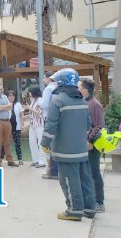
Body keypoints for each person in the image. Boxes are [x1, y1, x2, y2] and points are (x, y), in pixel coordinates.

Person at [41, 68, 95, 221]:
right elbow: (87, 125)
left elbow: (51, 125)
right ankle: (89, 208)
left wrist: (45, 143)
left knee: (69, 181)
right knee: (85, 179)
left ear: (60, 83)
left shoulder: (57, 101)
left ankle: (74, 210)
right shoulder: (83, 102)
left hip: (65, 151)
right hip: (81, 149)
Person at [78, 78, 105, 212]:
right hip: (84, 143)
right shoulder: (85, 102)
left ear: (84, 89)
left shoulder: (94, 104)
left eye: (78, 87)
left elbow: (99, 126)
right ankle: (89, 199)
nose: (77, 89)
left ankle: (99, 202)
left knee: (94, 172)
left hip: (92, 144)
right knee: (86, 172)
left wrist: (90, 140)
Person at [0, 84, 19, 168]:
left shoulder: (5, 97)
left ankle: (10, 160)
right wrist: (4, 107)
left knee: (8, 142)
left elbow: (10, 106)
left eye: (1, 89)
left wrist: (2, 107)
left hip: (7, 121)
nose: (1, 91)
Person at [40, 72, 59, 179]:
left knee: (50, 145)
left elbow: (44, 104)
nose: (43, 80)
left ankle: (52, 171)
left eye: (44, 78)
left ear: (49, 78)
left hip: (49, 118)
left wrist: (38, 104)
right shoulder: (59, 89)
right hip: (59, 119)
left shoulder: (48, 89)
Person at [23, 86, 46, 168]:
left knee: (40, 142)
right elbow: (32, 113)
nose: (29, 93)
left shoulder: (40, 101)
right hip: (32, 124)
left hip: (39, 124)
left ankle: (42, 161)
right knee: (32, 142)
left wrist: (29, 108)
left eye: (30, 92)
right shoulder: (33, 101)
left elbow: (39, 113)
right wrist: (25, 117)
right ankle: (35, 160)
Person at [7, 90, 24, 164]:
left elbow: (21, 115)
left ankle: (20, 159)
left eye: (13, 95)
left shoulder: (18, 104)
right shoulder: (5, 104)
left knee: (17, 143)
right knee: (6, 142)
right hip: (7, 126)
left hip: (16, 126)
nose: (11, 97)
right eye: (10, 96)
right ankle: (2, 158)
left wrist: (22, 123)